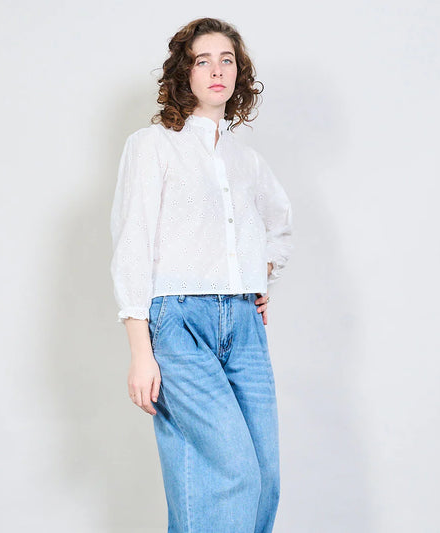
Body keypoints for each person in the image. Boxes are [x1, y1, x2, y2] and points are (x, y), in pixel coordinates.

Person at [110, 17, 293, 533]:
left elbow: (280, 228)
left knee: (263, 477)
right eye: (203, 60)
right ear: (184, 74)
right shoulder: (152, 145)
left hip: (245, 326)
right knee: (230, 471)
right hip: (179, 323)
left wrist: (258, 277)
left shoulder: (246, 161)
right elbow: (132, 244)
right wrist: (141, 351)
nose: (217, 70)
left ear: (239, 73)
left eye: (227, 60)